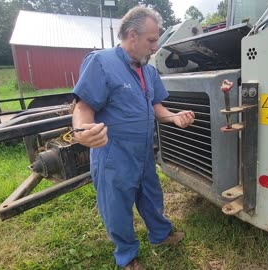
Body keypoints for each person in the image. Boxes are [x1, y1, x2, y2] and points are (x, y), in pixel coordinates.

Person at [71, 6, 195, 270]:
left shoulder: (148, 71)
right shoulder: (101, 62)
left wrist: (173, 117)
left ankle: (161, 235)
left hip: (143, 152)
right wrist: (82, 132)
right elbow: (83, 107)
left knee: (151, 196)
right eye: (151, 40)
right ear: (131, 36)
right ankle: (127, 256)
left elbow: (156, 106)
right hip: (114, 155)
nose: (155, 47)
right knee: (117, 208)